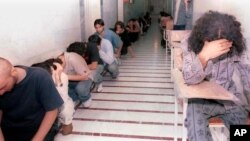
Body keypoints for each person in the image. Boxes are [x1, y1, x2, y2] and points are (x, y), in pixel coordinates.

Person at [181, 11, 250, 141]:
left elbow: (248, 75)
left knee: (242, 130)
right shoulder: (189, 42)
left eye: (224, 44)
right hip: (201, 100)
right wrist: (204, 56)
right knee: (194, 113)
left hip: (230, 99)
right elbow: (189, 78)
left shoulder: (238, 43)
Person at [0, 57, 63, 141]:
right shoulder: (3, 81)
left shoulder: (39, 77)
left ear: (13, 73)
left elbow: (52, 111)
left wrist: (37, 139)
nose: (0, 93)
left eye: (3, 87)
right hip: (10, 130)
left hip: (38, 129)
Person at [32, 58, 75, 135]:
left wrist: (58, 78)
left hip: (61, 105)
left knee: (66, 130)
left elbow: (61, 100)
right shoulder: (35, 78)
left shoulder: (61, 76)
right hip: (43, 108)